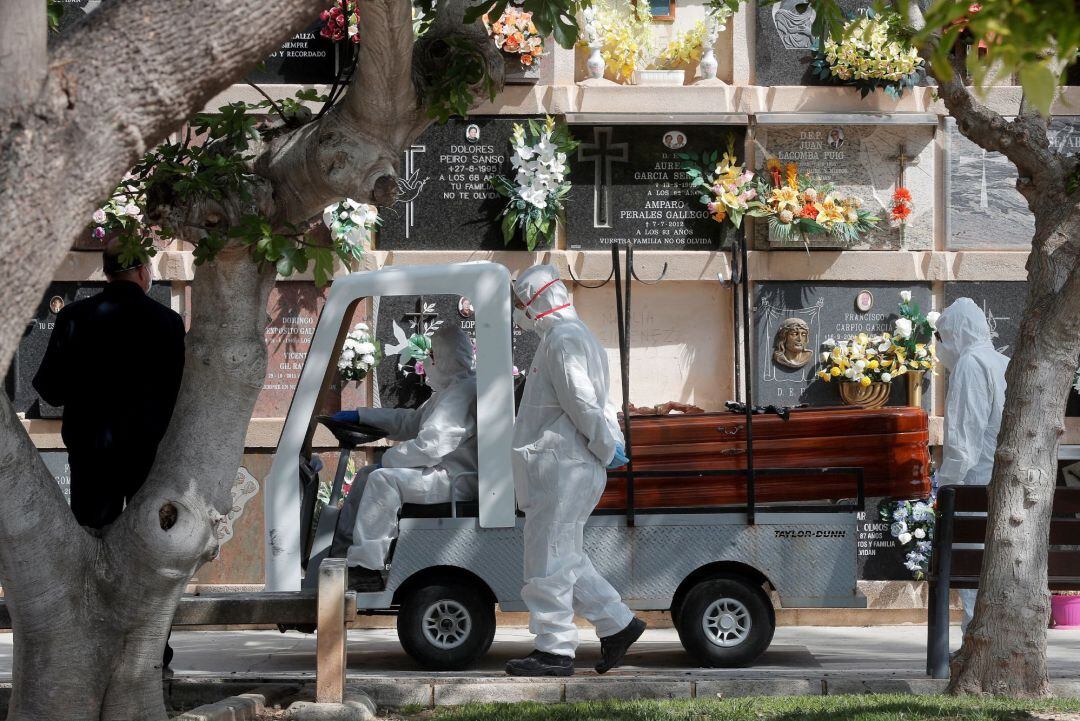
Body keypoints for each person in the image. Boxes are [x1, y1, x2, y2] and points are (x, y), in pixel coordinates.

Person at [33, 240, 185, 668]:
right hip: (148, 456)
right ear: (141, 272)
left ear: (108, 272)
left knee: (92, 551)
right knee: (150, 552)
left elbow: (48, 387)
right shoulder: (167, 322)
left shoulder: (75, 318)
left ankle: (89, 647)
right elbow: (178, 395)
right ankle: (153, 650)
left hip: (91, 456)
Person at [505, 264, 645, 678]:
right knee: (564, 556)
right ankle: (617, 624)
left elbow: (582, 402)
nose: (518, 314)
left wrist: (605, 445)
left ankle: (554, 650)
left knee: (547, 561)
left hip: (561, 467)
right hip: (565, 466)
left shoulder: (562, 339)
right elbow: (597, 403)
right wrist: (607, 444)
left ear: (535, 303)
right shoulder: (573, 335)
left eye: (520, 305)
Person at [330, 324, 478, 589]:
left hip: (455, 478)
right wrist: (362, 415)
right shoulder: (448, 391)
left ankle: (366, 569)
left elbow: (430, 447)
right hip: (445, 473)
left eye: (431, 356)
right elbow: (411, 422)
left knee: (383, 480)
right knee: (366, 474)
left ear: (443, 358)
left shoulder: (461, 393)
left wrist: (387, 460)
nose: (427, 362)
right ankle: (341, 555)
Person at [935, 297, 1009, 637]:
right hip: (1005, 488)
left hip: (976, 486)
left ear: (956, 333)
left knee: (972, 565)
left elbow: (962, 442)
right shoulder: (1002, 362)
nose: (941, 346)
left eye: (943, 336)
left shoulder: (970, 364)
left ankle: (973, 638)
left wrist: (944, 490)